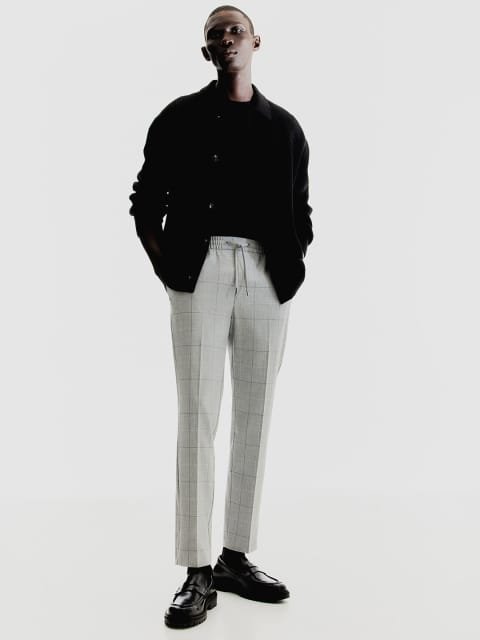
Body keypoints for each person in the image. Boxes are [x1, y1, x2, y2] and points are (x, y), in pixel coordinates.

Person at [128, 4, 313, 629]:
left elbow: (301, 208)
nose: (226, 39)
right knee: (198, 418)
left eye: (235, 30)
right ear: (205, 51)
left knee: (255, 418)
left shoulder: (285, 128)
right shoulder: (178, 118)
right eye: (215, 34)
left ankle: (235, 557)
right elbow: (144, 201)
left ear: (257, 41)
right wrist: (169, 268)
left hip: (267, 274)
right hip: (197, 270)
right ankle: (196, 570)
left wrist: (291, 263)